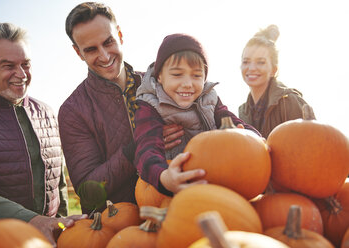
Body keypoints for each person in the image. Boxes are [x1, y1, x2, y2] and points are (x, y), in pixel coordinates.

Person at [59, 2, 183, 215]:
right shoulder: (72, 111)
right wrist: (138, 148)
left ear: (120, 35)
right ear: (78, 53)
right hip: (116, 226)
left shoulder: (159, 85)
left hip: (174, 210)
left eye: (108, 42)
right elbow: (88, 191)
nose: (105, 56)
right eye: (90, 49)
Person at [0, 22, 86, 247]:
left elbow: (58, 183)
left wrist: (62, 228)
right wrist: (32, 220)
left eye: (25, 64)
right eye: (8, 66)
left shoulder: (46, 112)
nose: (21, 74)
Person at [134, 33, 260, 195]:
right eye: (177, 74)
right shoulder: (150, 105)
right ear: (159, 76)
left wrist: (255, 139)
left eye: (196, 75)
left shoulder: (209, 98)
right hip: (176, 186)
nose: (187, 84)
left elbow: (231, 122)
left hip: (217, 177)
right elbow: (146, 148)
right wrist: (164, 176)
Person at [238, 24, 315, 138]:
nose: (251, 68)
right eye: (246, 61)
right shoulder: (243, 111)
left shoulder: (289, 101)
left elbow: (313, 143)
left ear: (274, 70)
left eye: (260, 62)